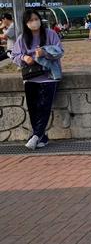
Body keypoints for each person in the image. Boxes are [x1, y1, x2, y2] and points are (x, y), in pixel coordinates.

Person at [11, 10, 63, 150]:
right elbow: (14, 55)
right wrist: (24, 58)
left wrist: (45, 52)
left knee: (44, 107)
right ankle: (41, 137)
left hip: (49, 77)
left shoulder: (50, 34)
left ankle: (35, 136)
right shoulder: (22, 38)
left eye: (36, 19)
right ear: (26, 23)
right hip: (31, 78)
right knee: (33, 108)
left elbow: (59, 51)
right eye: (30, 20)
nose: (34, 22)